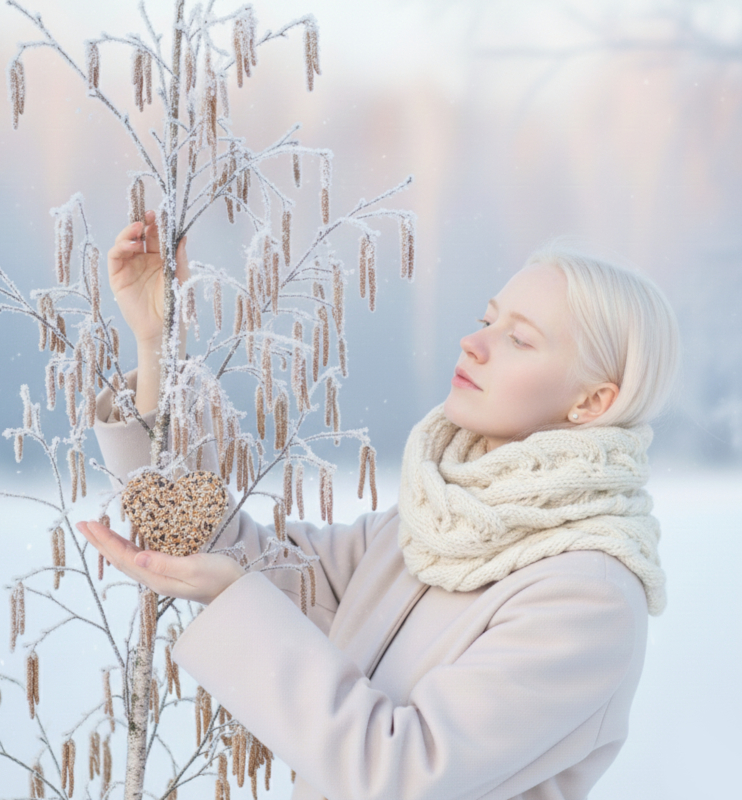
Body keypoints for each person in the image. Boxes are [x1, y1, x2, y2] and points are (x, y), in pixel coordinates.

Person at [77, 211, 682, 800]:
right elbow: (232, 553)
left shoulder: (587, 598)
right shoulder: (435, 523)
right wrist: (158, 344)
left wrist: (234, 595)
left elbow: (399, 775)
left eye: (519, 339)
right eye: (488, 320)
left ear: (592, 402)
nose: (473, 343)